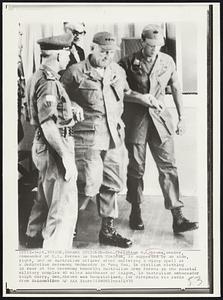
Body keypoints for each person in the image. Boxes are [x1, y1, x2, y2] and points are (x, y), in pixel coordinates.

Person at [119, 24, 199, 234]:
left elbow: (175, 87)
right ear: (143, 42)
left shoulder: (167, 61)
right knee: (136, 169)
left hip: (161, 122)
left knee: (169, 167)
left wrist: (182, 118)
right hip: (136, 122)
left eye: (158, 45)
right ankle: (135, 210)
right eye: (151, 44)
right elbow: (119, 91)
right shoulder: (128, 62)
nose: (155, 49)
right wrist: (140, 99)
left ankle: (177, 216)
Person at [61, 32, 137, 248]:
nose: (107, 56)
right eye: (103, 52)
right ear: (92, 48)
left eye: (111, 53)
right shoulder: (75, 72)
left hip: (114, 137)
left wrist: (143, 98)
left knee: (112, 183)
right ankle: (67, 225)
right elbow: (60, 96)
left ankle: (107, 231)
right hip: (89, 139)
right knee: (87, 184)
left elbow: (126, 93)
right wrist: (71, 105)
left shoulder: (117, 71)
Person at [25, 33, 79, 249]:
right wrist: (65, 156)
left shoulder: (38, 76)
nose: (69, 59)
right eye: (68, 53)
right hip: (54, 147)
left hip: (42, 147)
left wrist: (71, 108)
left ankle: (36, 238)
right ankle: (55, 255)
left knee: (46, 199)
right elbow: (48, 124)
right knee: (61, 207)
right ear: (58, 55)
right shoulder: (48, 83)